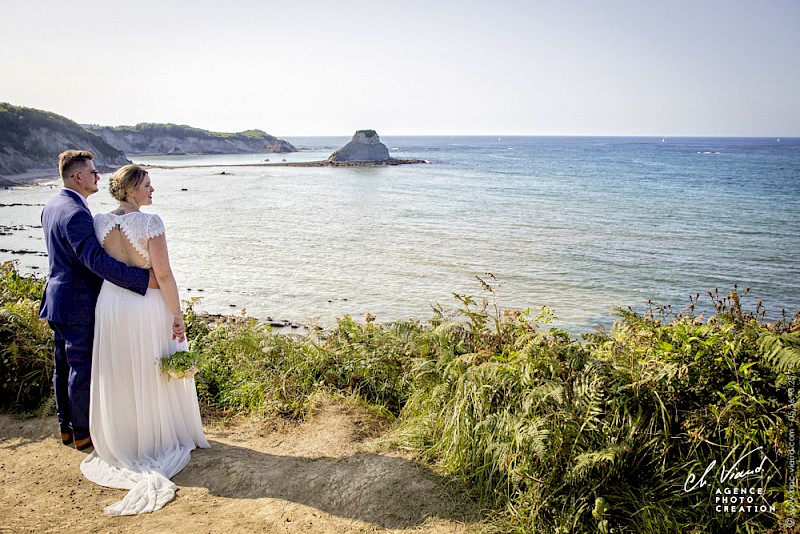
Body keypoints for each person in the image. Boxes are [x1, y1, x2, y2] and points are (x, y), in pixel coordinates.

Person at [79, 164, 209, 516]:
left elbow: (103, 263)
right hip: (144, 304)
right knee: (155, 366)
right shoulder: (151, 223)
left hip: (110, 303)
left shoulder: (100, 222)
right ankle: (158, 439)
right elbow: (163, 273)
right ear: (133, 190)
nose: (152, 191)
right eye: (147, 185)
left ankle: (128, 440)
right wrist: (178, 315)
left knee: (122, 369)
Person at [40, 150, 152, 452]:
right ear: (78, 177)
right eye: (92, 172)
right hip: (76, 304)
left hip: (56, 299)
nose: (98, 176)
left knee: (62, 366)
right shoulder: (76, 213)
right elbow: (95, 261)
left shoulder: (52, 205)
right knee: (80, 368)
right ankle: (82, 433)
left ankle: (66, 428)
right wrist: (143, 280)